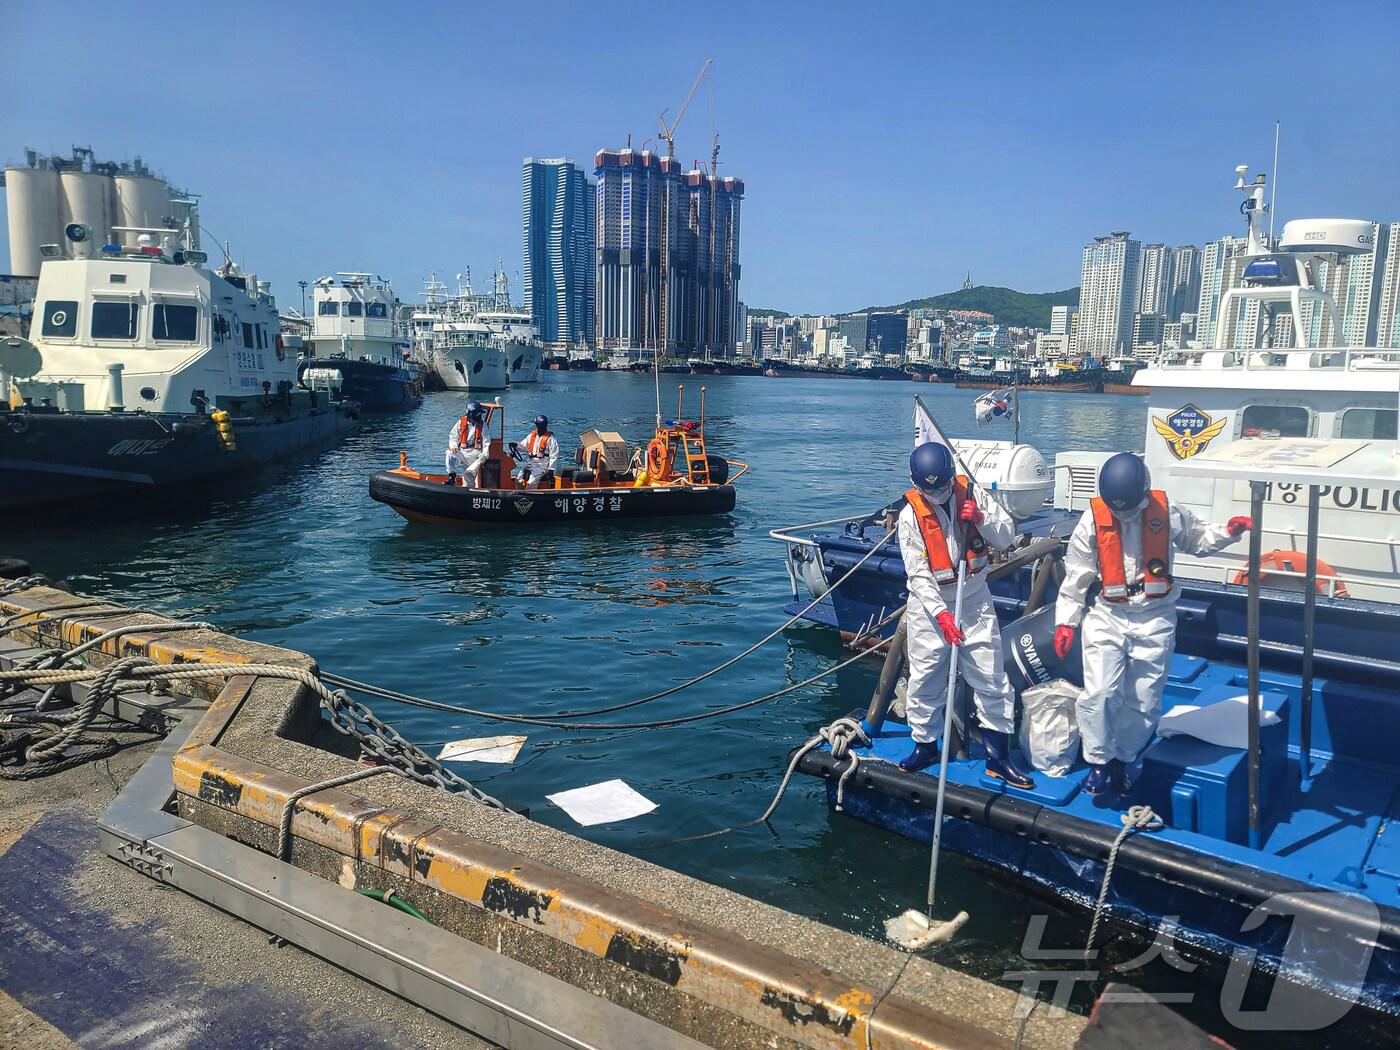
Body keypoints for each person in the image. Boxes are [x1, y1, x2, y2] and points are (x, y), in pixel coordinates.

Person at [1053, 452, 1251, 796]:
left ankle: (1122, 760)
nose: (1122, 514)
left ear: (1143, 494)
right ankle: (1099, 761)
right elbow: (1077, 574)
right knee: (1100, 693)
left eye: (1128, 507)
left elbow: (1198, 540)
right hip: (1108, 614)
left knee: (1144, 701)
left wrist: (1229, 532)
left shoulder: (1168, 512)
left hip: (1155, 616)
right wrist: (1066, 622)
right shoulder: (1092, 520)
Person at [896, 441, 1036, 789]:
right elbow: (917, 574)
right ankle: (925, 745)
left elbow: (1006, 537)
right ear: (917, 485)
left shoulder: (972, 494)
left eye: (943, 487)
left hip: (973, 598)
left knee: (990, 676)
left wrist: (982, 518)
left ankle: (997, 758)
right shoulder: (909, 517)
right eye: (931, 489)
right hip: (931, 608)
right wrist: (942, 615)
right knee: (926, 676)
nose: (939, 494)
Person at [444, 401, 488, 486]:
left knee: (468, 482)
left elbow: (486, 442)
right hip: (462, 451)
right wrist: (453, 446)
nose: (480, 416)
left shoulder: (483, 426)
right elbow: (453, 436)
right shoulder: (461, 422)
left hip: (475, 454)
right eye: (478, 414)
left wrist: (484, 455)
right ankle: (452, 477)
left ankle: (468, 493)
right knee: (449, 454)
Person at [514, 415, 559, 489]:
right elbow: (523, 446)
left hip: (542, 465)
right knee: (518, 480)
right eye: (539, 425)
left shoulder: (551, 439)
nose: (541, 427)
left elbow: (554, 455)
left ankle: (531, 496)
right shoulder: (532, 435)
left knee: (531, 483)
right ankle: (520, 494)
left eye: (543, 425)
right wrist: (516, 446)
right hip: (530, 463)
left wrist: (551, 469)